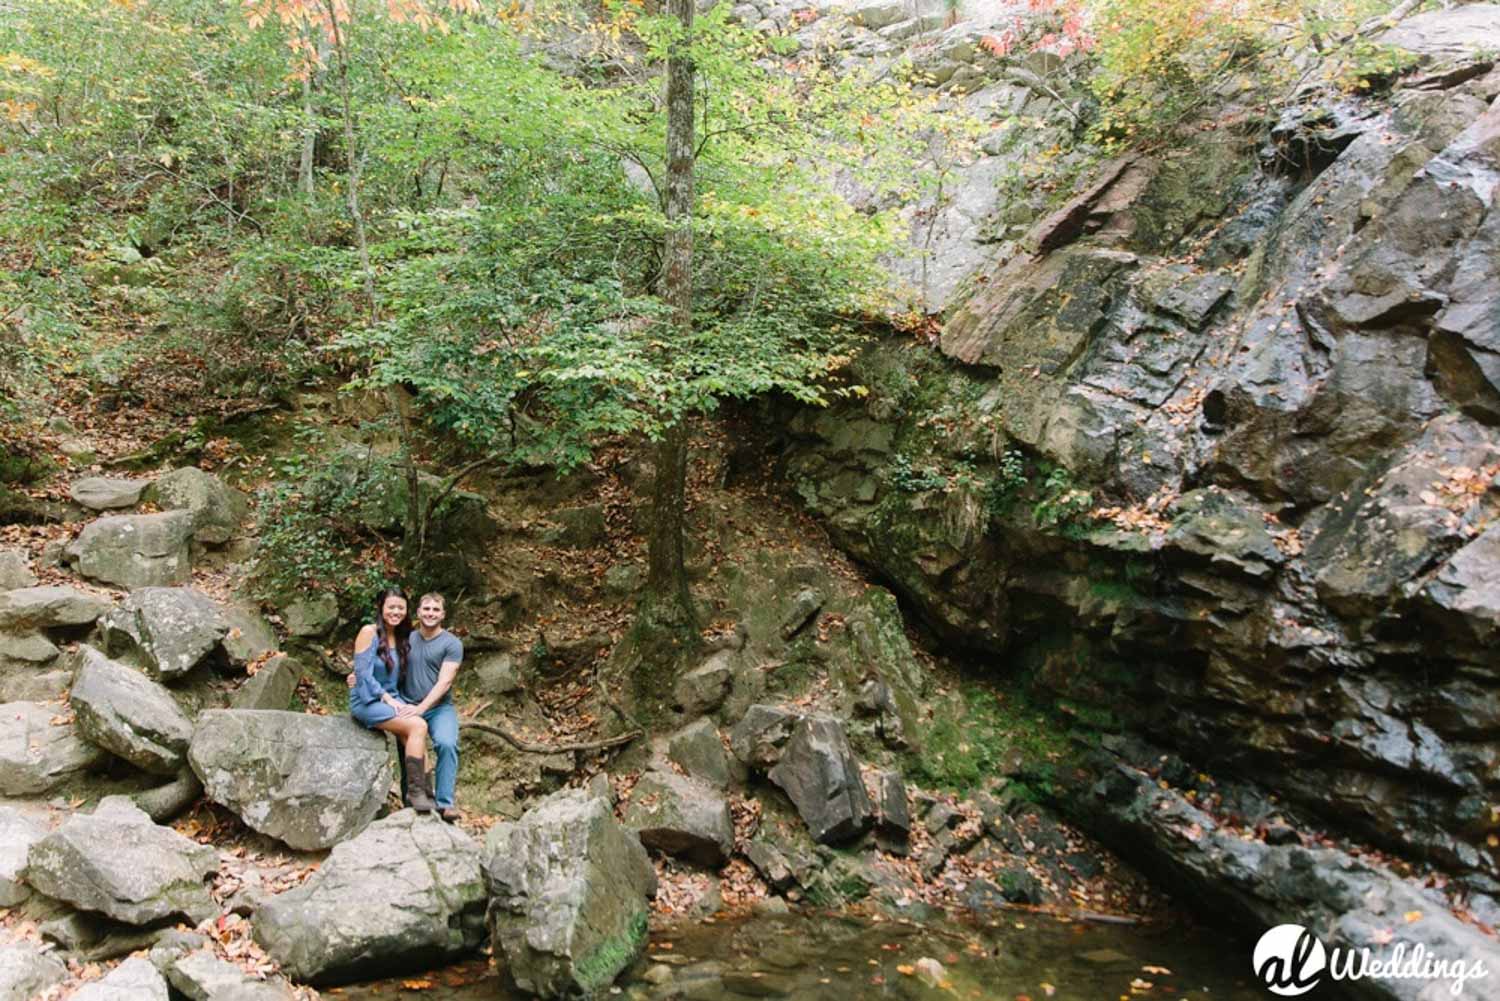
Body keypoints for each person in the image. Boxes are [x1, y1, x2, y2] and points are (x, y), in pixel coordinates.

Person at [348, 587, 436, 813]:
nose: (395, 612)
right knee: (418, 726)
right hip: (368, 700)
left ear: (407, 611)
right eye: (391, 607)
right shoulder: (369, 632)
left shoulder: (402, 636)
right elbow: (363, 674)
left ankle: (426, 794)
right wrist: (389, 700)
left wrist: (404, 701)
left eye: (401, 608)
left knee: (414, 735)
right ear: (381, 608)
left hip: (393, 699)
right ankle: (416, 793)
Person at [399, 592, 464, 823]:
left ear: (443, 615)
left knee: (447, 744)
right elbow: (383, 663)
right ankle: (411, 800)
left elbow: (445, 681)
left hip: (439, 708)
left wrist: (422, 708)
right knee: (410, 750)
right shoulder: (405, 638)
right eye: (426, 609)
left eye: (436, 610)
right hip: (407, 705)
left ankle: (445, 804)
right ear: (418, 612)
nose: (430, 613)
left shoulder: (452, 644)